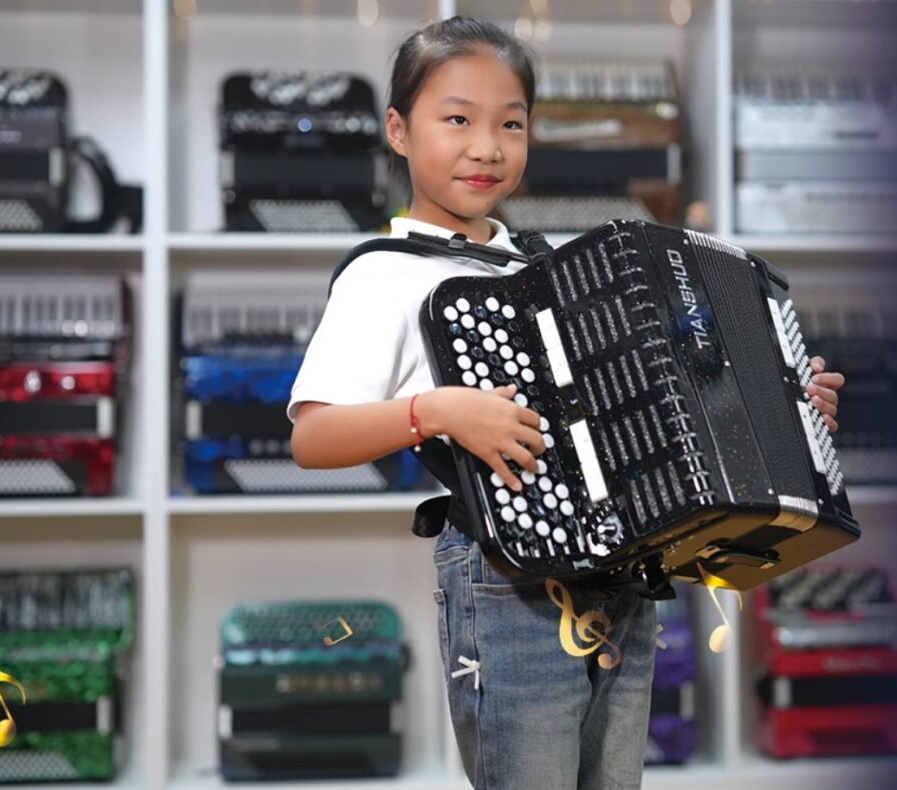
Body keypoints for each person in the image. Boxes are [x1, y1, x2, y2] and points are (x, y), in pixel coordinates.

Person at [287, 16, 845, 790]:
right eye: (457, 119)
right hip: (504, 583)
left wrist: (782, 407)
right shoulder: (383, 276)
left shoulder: (543, 265)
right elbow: (313, 437)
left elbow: (654, 401)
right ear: (399, 130)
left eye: (510, 124)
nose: (486, 146)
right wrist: (439, 411)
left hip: (622, 578)